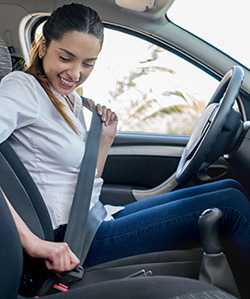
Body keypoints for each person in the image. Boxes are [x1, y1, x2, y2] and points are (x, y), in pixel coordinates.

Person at [1, 3, 250, 279]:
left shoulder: (66, 98)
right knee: (231, 205)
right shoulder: (21, 88)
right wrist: (32, 243)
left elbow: (80, 180)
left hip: (94, 217)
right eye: (65, 57)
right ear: (44, 46)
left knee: (230, 186)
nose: (75, 73)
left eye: (88, 63)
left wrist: (105, 140)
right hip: (73, 240)